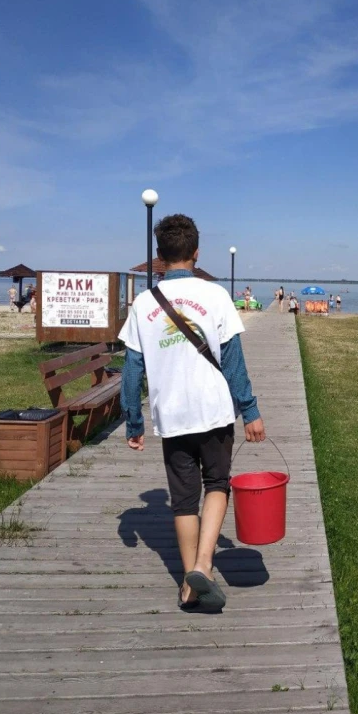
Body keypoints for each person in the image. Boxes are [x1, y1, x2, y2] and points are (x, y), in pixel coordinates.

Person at [119, 213, 265, 611]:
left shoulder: (143, 303)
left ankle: (189, 585)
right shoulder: (215, 295)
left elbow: (131, 371)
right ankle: (204, 564)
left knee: (183, 500)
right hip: (215, 412)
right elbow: (233, 361)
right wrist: (250, 410)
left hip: (171, 417)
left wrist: (133, 421)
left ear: (159, 257)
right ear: (196, 253)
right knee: (217, 483)